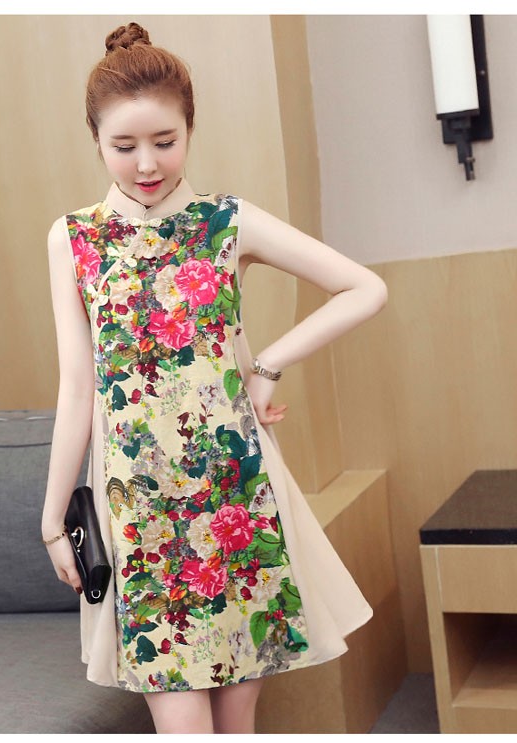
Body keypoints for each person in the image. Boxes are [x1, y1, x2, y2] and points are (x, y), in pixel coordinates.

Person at [41, 22, 388, 735]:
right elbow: (78, 386)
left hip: (234, 495)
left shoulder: (226, 221)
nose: (147, 163)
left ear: (190, 129)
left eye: (165, 141)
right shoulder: (74, 238)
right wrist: (53, 519)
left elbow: (365, 288)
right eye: (124, 146)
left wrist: (266, 366)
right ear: (95, 139)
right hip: (139, 510)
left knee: (237, 726)